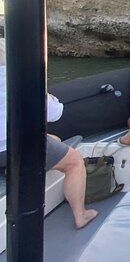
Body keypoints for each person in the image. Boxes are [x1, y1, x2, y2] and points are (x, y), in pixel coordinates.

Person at [0, 40, 98, 229]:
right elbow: (54, 114)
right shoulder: (19, 79)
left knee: (53, 139)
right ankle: (81, 215)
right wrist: (49, 97)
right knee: (75, 162)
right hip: (16, 145)